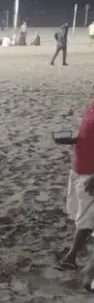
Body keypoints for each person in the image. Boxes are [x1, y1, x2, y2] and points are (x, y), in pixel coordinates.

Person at [59, 99, 94, 270]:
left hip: (90, 174)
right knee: (76, 211)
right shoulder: (92, 104)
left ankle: (70, 257)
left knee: (86, 218)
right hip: (78, 167)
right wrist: (75, 140)